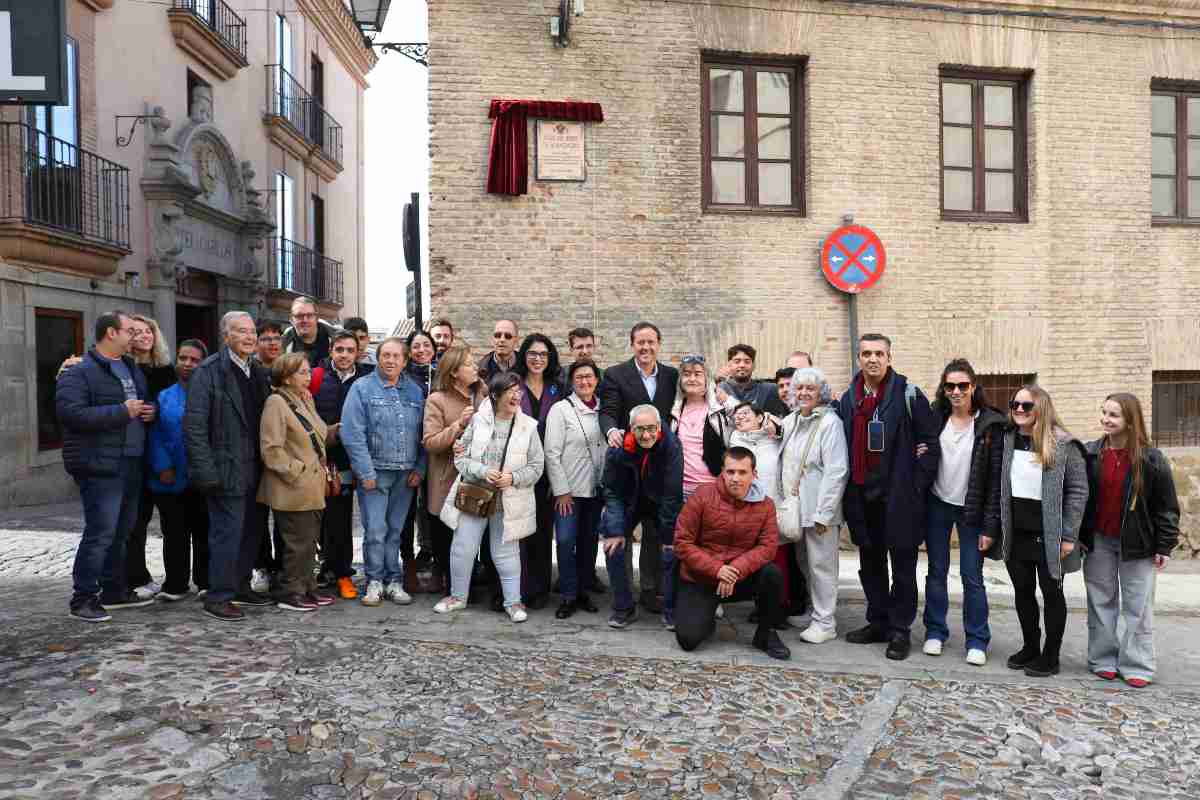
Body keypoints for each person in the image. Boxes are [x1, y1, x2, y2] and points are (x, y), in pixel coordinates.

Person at [836, 333, 940, 661]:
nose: (873, 359)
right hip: (862, 498)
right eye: (866, 353)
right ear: (858, 359)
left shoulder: (909, 394)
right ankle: (878, 621)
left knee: (904, 569)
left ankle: (900, 630)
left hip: (900, 499)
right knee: (871, 566)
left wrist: (914, 485)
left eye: (879, 353)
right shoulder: (848, 399)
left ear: (889, 358)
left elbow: (930, 444)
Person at [58, 311, 156, 621]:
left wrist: (147, 411)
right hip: (100, 464)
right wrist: (121, 411)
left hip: (131, 461)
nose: (135, 336)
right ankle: (83, 598)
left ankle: (114, 591)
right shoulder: (78, 372)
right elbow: (71, 415)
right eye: (129, 330)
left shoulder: (130, 367)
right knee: (100, 532)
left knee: (122, 532)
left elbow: (137, 404)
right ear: (111, 333)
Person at [987, 385, 1088, 678]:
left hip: (1049, 534)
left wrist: (1068, 535)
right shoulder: (1007, 439)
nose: (1019, 409)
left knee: (1051, 593)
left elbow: (1078, 492)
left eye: (1026, 406)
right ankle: (1030, 645)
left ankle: (1051, 655)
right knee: (1022, 591)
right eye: (1015, 404)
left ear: (1041, 408)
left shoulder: (1064, 444)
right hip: (1015, 530)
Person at [1080, 393, 1178, 687]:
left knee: (1138, 606)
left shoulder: (1151, 458)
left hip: (1138, 544)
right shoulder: (1091, 453)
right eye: (1104, 412)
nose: (1105, 419)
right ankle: (1102, 659)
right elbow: (1081, 499)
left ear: (1130, 421)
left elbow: (1167, 506)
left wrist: (1165, 545)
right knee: (1100, 601)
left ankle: (1138, 665)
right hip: (1098, 541)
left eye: (1113, 415)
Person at [434, 371, 545, 623]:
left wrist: (513, 478)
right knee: (463, 548)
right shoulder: (478, 421)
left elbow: (537, 466)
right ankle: (457, 597)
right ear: (495, 395)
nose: (517, 395)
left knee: (506, 552)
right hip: (476, 495)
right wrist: (483, 471)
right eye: (510, 391)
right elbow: (461, 458)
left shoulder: (528, 426)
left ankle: (513, 602)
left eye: (519, 391)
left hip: (509, 499)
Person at [185, 310, 272, 622]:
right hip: (225, 469)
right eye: (240, 331)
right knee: (227, 534)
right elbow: (194, 427)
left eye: (251, 331)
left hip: (256, 469)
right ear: (225, 336)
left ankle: (240, 585)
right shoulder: (208, 372)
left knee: (252, 531)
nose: (249, 337)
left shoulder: (258, 371)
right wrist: (207, 472)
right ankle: (219, 595)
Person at [920, 359, 1007, 666]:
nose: (955, 391)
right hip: (938, 504)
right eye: (949, 386)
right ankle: (935, 631)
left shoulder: (990, 424)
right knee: (936, 571)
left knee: (972, 575)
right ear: (943, 389)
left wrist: (990, 526)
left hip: (972, 509)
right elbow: (923, 451)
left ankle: (977, 639)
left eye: (962, 386)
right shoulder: (935, 418)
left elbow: (997, 479)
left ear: (973, 387)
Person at [673, 447, 789, 660]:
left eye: (743, 472)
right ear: (722, 473)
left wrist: (735, 569)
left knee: (772, 574)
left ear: (754, 474)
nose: (736, 478)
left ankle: (765, 633)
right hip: (702, 578)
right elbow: (682, 542)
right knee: (688, 640)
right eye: (730, 472)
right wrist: (717, 569)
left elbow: (768, 547)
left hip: (739, 578)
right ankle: (706, 617)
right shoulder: (702, 495)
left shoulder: (766, 505)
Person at [598, 322, 679, 614]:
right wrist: (611, 433)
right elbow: (607, 412)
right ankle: (624, 601)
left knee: (659, 538)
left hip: (659, 465)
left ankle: (651, 591)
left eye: (651, 342)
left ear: (659, 344)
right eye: (640, 342)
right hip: (627, 463)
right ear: (632, 345)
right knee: (616, 532)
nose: (645, 348)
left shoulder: (671, 375)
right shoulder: (616, 374)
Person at [340, 337, 427, 607]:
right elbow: (352, 433)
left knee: (396, 531)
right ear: (378, 358)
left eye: (396, 356)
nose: (390, 360)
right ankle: (374, 581)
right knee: (375, 530)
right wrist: (365, 471)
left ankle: (394, 581)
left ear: (404, 360)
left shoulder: (414, 392)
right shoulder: (362, 388)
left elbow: (425, 432)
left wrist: (420, 468)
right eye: (385, 355)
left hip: (405, 474)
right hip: (375, 472)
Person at [776, 367, 848, 643]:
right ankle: (814, 612)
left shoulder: (830, 423)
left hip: (820, 511)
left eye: (810, 389)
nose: (804, 393)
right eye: (799, 388)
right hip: (797, 508)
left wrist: (825, 512)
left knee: (822, 566)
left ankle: (826, 622)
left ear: (821, 393)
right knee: (805, 563)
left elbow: (837, 470)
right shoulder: (792, 420)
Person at [258, 353, 332, 612]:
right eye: (302, 372)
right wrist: (296, 472)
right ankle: (291, 592)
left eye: (308, 370)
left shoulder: (301, 400)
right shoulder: (276, 403)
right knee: (296, 544)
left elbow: (319, 434)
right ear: (287, 377)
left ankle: (308, 588)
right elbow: (271, 449)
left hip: (311, 487)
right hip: (293, 488)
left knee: (309, 542)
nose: (308, 375)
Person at [599, 404, 684, 629]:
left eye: (651, 429)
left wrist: (668, 537)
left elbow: (672, 493)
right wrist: (615, 530)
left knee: (673, 550)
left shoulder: (672, 446)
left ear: (659, 427)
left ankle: (671, 609)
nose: (646, 435)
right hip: (629, 501)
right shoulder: (618, 448)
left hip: (660, 501)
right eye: (639, 429)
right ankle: (624, 607)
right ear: (630, 429)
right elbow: (611, 490)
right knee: (612, 544)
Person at [666, 353, 729, 629]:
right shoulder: (675, 410)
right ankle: (688, 599)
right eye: (687, 374)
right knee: (686, 547)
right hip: (682, 490)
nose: (692, 378)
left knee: (713, 548)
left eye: (698, 374)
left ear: (707, 380)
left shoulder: (719, 410)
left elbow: (742, 428)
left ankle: (713, 599)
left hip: (712, 490)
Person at [147, 339, 210, 602]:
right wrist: (163, 466)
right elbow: (156, 433)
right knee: (174, 533)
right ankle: (175, 584)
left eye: (194, 360)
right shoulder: (164, 396)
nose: (187, 364)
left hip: (202, 475)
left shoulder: (211, 395)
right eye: (183, 358)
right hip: (171, 476)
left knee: (204, 531)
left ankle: (206, 581)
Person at [544, 359, 607, 619]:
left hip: (595, 490)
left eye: (589, 376)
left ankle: (582, 590)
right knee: (567, 541)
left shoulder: (605, 409)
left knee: (589, 543)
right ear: (572, 381)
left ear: (596, 380)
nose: (585, 381)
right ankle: (568, 595)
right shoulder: (561, 409)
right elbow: (551, 452)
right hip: (568, 492)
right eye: (579, 377)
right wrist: (561, 490)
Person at [312, 331, 372, 599]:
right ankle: (328, 567)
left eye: (350, 350)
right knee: (324, 517)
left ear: (358, 351)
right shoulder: (316, 377)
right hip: (324, 459)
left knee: (342, 517)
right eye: (339, 349)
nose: (344, 355)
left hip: (355, 460)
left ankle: (344, 572)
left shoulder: (367, 378)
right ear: (331, 350)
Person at [423, 343, 484, 597]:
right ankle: (453, 589)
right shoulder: (437, 400)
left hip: (477, 481)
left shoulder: (482, 395)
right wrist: (459, 425)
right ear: (454, 372)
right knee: (447, 540)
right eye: (469, 364)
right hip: (446, 481)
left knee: (472, 538)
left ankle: (470, 585)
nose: (475, 368)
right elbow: (431, 442)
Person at [123, 314, 173, 600]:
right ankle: (135, 575)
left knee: (170, 521)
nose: (144, 336)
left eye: (149, 331)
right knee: (135, 520)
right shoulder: (124, 368)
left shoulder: (166, 370)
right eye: (138, 332)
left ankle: (174, 580)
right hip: (134, 452)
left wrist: (157, 411)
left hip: (161, 451)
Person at [515, 333, 565, 609]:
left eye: (543, 355)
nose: (537, 359)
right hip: (517, 468)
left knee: (542, 530)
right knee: (516, 532)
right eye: (533, 354)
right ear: (524, 356)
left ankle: (538, 589)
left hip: (547, 470)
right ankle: (515, 589)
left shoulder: (557, 388)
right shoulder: (513, 385)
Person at [400, 329, 438, 593]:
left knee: (434, 508)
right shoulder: (403, 378)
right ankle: (408, 563)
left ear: (434, 349)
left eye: (426, 345)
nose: (422, 350)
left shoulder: (441, 375)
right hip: (409, 450)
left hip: (437, 451)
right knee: (406, 511)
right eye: (416, 346)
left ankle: (435, 559)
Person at [716, 344, 786, 417]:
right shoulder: (721, 388)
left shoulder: (769, 389)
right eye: (737, 361)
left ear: (754, 365)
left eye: (747, 361)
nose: (742, 365)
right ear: (729, 365)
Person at [283, 296, 336, 367]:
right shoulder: (282, 345)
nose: (305, 320)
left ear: (316, 318)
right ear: (291, 319)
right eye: (299, 315)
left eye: (309, 315)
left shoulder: (336, 339)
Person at [478, 318, 519, 383]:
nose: (502, 339)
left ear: (516, 341)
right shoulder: (480, 369)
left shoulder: (526, 367)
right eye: (497, 335)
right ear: (492, 339)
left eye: (508, 336)